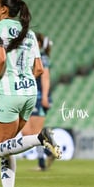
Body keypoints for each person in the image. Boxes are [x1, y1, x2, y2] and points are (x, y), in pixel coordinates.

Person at [0, 0, 61, 187]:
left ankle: (40, 138)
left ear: (4, 9)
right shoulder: (29, 34)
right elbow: (39, 69)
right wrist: (24, 82)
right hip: (29, 93)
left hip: (10, 94)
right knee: (9, 145)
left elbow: (0, 59)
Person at [21, 33, 56, 171]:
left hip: (39, 98)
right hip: (29, 97)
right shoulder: (28, 57)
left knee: (33, 133)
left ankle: (42, 163)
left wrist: (45, 97)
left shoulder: (42, 58)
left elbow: (45, 77)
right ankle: (49, 151)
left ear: (39, 43)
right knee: (28, 133)